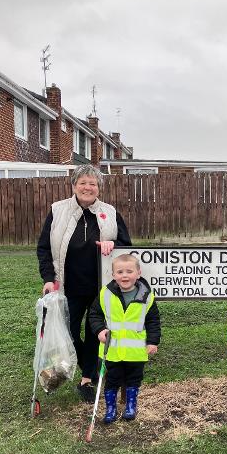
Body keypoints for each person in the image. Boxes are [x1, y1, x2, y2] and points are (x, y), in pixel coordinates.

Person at [37, 164, 132, 403]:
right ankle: (86, 361)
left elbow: (126, 247)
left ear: (99, 188)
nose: (87, 187)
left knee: (94, 332)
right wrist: (49, 278)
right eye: (83, 183)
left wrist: (115, 246)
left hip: (100, 288)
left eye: (93, 184)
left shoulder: (109, 212)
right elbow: (44, 248)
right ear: (74, 186)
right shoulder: (57, 211)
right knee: (68, 332)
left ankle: (87, 378)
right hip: (67, 285)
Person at [89, 254, 161, 423]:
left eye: (129, 271)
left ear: (138, 273)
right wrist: (99, 330)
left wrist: (152, 341)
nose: (125, 275)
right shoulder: (105, 294)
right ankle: (111, 409)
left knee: (133, 380)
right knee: (112, 379)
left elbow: (153, 321)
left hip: (136, 351)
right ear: (113, 275)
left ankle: (130, 405)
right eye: (120, 272)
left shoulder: (147, 297)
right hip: (111, 350)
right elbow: (94, 315)